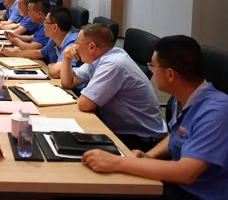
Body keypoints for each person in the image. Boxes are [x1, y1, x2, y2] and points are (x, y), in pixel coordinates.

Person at [82, 35, 228, 200]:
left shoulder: (216, 112)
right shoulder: (184, 99)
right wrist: (149, 156)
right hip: (178, 183)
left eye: (153, 65)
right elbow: (179, 134)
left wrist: (117, 162)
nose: (151, 70)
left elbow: (186, 173)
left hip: (197, 193)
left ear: (170, 74)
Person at [60, 23, 167, 151]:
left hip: (142, 140)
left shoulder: (113, 64)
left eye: (77, 42)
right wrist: (66, 58)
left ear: (91, 47)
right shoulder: (101, 58)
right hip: (124, 130)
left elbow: (85, 104)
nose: (75, 47)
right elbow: (68, 82)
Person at [1, 7, 81, 76]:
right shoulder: (54, 40)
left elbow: (55, 72)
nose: (44, 25)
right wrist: (11, 53)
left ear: (55, 27)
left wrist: (50, 65)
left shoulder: (72, 44)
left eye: (46, 22)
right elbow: (38, 53)